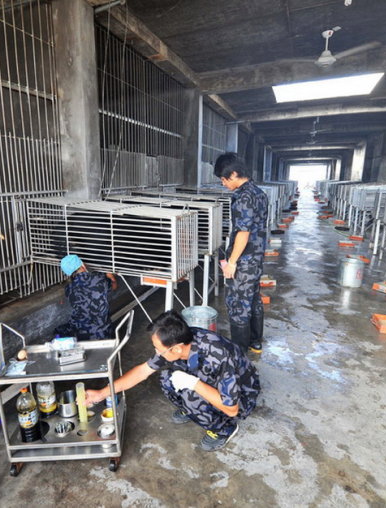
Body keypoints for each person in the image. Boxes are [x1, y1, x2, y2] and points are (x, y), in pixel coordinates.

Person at [84, 310, 260, 451]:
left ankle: (225, 429)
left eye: (158, 349)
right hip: (210, 380)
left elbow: (232, 409)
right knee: (167, 379)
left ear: (176, 349)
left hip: (241, 397)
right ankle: (192, 409)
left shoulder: (218, 356)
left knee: (191, 396)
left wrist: (194, 384)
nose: (156, 353)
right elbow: (142, 371)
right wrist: (101, 393)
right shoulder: (180, 341)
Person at [215, 152, 269, 353]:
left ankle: (239, 350)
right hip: (257, 257)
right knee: (253, 297)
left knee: (238, 302)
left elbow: (243, 233)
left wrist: (232, 262)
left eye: (224, 179)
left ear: (234, 174)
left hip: (244, 259)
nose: (223, 184)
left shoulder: (243, 197)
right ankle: (255, 341)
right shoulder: (259, 193)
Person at [56, 254, 118, 340]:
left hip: (80, 334)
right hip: (103, 332)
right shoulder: (99, 278)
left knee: (59, 330)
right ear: (82, 265)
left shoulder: (68, 288)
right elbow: (114, 287)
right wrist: (112, 278)